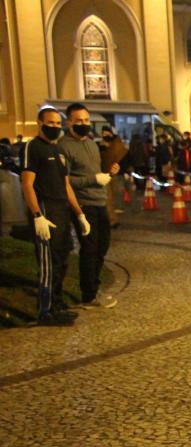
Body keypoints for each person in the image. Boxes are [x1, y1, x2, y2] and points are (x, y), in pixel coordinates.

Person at [20, 106, 91, 326]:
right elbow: (27, 185)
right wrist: (37, 215)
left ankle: (57, 304)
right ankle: (45, 311)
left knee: (61, 261)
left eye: (57, 124)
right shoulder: (33, 147)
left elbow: (66, 185)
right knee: (48, 264)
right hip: (45, 211)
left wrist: (79, 214)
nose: (54, 127)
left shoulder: (59, 150)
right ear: (39, 123)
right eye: (50, 123)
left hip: (62, 212)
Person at [59, 102, 119, 309]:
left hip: (99, 201)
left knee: (102, 246)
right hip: (82, 204)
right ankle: (89, 294)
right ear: (69, 122)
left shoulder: (92, 144)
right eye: (79, 121)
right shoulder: (64, 146)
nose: (84, 124)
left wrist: (109, 172)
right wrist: (94, 179)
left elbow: (95, 171)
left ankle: (95, 285)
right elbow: (66, 181)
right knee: (89, 248)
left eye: (86, 120)